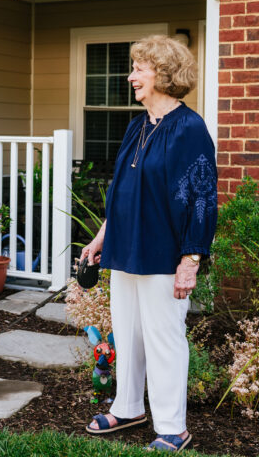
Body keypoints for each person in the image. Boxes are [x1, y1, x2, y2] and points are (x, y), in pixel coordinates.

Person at [81, 35, 217, 453]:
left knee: (163, 337)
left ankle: (173, 426)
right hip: (127, 248)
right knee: (129, 332)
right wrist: (102, 237)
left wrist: (191, 259)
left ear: (163, 73)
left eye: (139, 69)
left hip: (163, 253)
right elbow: (123, 189)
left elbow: (203, 198)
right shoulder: (138, 125)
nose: (131, 76)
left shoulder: (189, 128)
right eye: (134, 68)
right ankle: (127, 407)